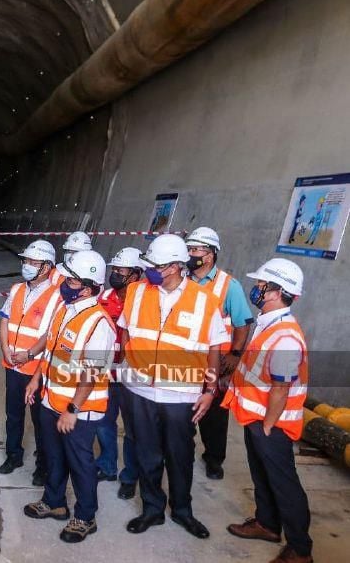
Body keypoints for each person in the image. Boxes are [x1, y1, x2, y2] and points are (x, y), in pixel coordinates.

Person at [117, 234, 228, 539]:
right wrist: (130, 365)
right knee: (147, 453)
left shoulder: (205, 300)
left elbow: (215, 348)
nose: (150, 270)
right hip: (141, 391)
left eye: (157, 265)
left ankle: (182, 511)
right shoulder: (137, 292)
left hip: (181, 394)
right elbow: (126, 330)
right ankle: (152, 509)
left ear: (176, 267)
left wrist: (209, 391)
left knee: (180, 455)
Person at [224, 258, 313, 563]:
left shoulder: (285, 336)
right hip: (256, 418)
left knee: (283, 483)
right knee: (262, 475)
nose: (257, 289)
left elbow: (281, 387)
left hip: (270, 424)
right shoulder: (270, 323)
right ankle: (267, 524)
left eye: (262, 285)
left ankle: (300, 549)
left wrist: (268, 425)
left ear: (276, 291)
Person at [24, 250, 115, 543]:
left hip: (78, 410)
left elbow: (92, 372)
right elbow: (50, 351)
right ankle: (54, 502)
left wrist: (72, 409)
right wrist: (36, 380)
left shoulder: (99, 324)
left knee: (80, 463)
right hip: (51, 400)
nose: (63, 282)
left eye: (71, 280)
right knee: (55, 457)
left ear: (87, 288)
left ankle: (86, 517)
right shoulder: (65, 309)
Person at [185, 227, 254, 479]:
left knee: (214, 416)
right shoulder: (182, 279)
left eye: (195, 250)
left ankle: (214, 459)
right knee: (184, 412)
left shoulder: (228, 285)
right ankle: (184, 451)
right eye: (188, 249)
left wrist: (235, 354)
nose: (190, 254)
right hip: (186, 363)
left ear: (211, 254)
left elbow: (242, 322)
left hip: (216, 364)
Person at [0, 239, 63, 487]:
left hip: (36, 370)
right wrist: (5, 349)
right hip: (12, 365)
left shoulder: (57, 296)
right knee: (13, 415)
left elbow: (52, 334)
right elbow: (4, 320)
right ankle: (13, 455)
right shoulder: (16, 289)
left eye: (33, 262)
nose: (27, 266)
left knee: (41, 420)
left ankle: (42, 466)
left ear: (46, 267)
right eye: (26, 261)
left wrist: (30, 354)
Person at [96, 247, 143, 499]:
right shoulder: (103, 296)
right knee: (104, 422)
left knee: (133, 429)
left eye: (120, 270)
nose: (115, 274)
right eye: (114, 269)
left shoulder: (144, 301)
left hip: (133, 375)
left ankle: (130, 476)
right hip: (108, 372)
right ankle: (107, 466)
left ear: (136, 274)